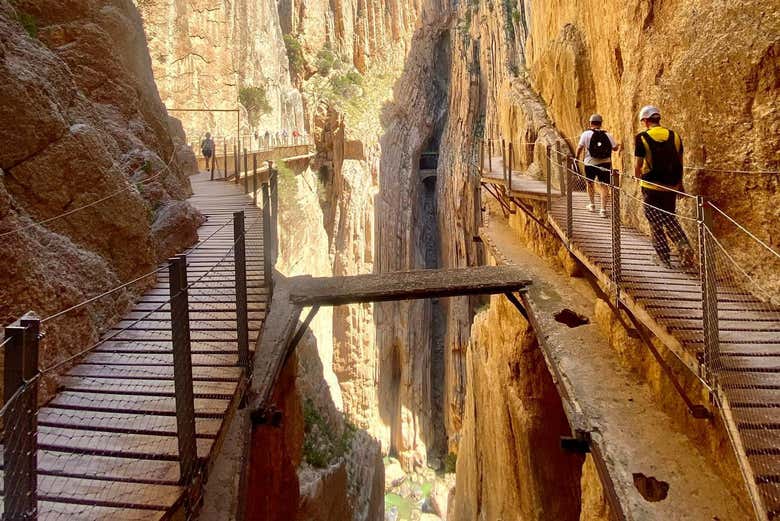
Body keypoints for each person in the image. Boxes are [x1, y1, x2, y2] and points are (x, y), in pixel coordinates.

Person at [634, 105, 694, 269]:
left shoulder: (641, 138)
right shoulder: (675, 136)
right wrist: (679, 184)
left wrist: (637, 177)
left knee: (655, 222)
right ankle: (684, 247)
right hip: (671, 186)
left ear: (646, 121)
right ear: (658, 118)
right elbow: (680, 163)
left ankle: (664, 258)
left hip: (650, 186)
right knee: (669, 218)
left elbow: (638, 165)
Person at [576, 114, 619, 217]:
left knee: (589, 183)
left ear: (590, 123)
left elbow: (579, 147)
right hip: (605, 163)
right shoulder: (607, 135)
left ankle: (592, 205)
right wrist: (619, 145)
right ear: (601, 123)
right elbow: (615, 148)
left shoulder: (586, 134)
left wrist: (576, 158)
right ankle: (603, 210)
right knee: (604, 186)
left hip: (590, 163)